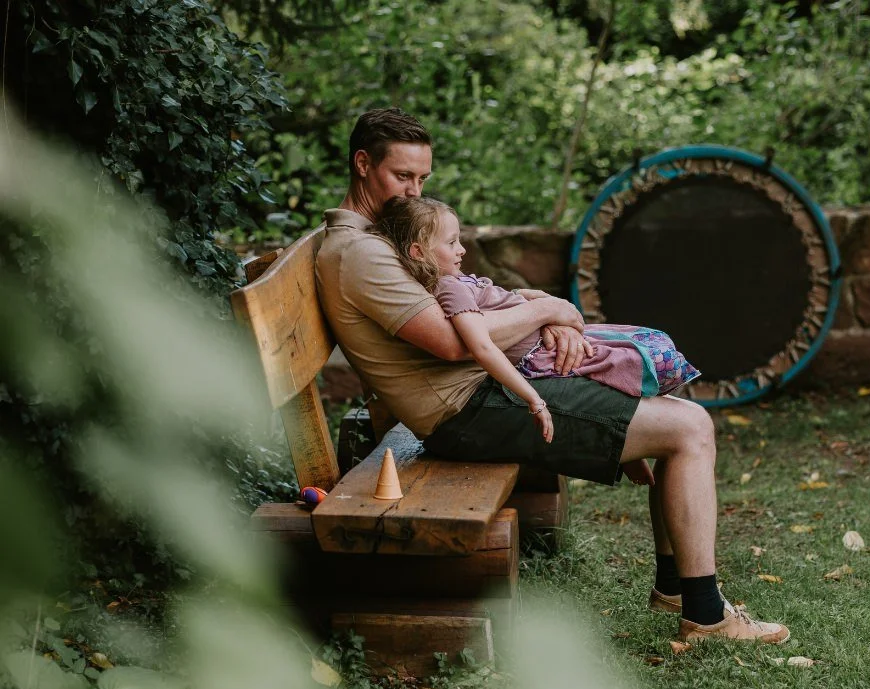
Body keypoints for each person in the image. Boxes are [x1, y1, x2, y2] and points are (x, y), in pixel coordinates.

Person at [315, 107, 788, 643]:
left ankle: (677, 590)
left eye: (422, 179)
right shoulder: (361, 253)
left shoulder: (385, 235)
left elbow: (469, 296)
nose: (414, 191)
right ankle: (704, 615)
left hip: (490, 383)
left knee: (654, 374)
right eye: (402, 177)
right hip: (468, 410)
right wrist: (547, 313)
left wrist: (549, 322)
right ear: (361, 164)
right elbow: (452, 344)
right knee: (689, 428)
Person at [370, 194, 700, 485]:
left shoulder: (455, 280)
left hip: (542, 345)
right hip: (537, 360)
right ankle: (637, 441)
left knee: (624, 351)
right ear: (418, 252)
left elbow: (497, 299)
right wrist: (533, 399)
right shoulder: (449, 287)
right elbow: (482, 346)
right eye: (452, 242)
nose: (462, 249)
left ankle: (636, 444)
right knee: (634, 355)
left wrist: (535, 301)